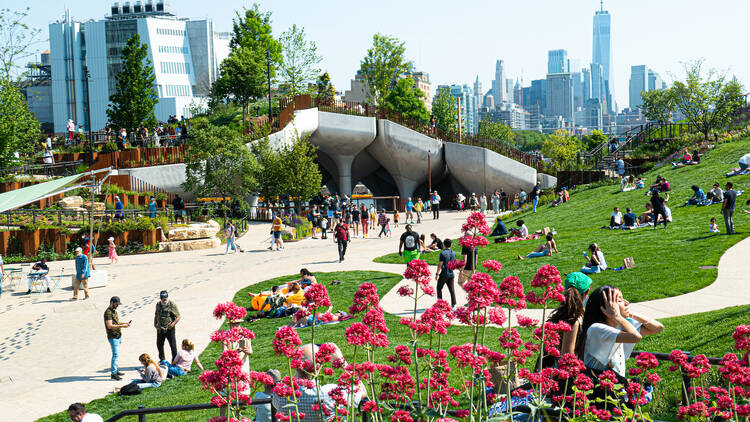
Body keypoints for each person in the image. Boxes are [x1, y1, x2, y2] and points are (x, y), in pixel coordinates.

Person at [579, 286, 663, 378]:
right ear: (606, 307)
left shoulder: (619, 325)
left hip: (615, 386)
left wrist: (630, 314)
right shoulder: (596, 329)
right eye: (619, 300)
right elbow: (636, 337)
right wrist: (617, 316)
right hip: (601, 388)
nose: (626, 303)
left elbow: (657, 328)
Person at [542, 272, 592, 368]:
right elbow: (567, 356)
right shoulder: (573, 320)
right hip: (562, 373)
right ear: (587, 291)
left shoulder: (560, 314)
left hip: (549, 366)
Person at [104, 296, 130, 380]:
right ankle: (113, 373)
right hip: (113, 337)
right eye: (116, 304)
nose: (117, 306)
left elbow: (117, 323)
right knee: (115, 355)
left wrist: (124, 323)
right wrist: (122, 326)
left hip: (118, 335)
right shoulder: (108, 313)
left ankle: (116, 369)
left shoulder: (114, 311)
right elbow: (110, 325)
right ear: (111, 302)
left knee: (117, 354)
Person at [154, 290, 181, 362]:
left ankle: (174, 361)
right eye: (162, 299)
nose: (164, 300)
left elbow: (178, 316)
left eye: (165, 298)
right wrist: (155, 324)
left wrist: (172, 325)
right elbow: (156, 314)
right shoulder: (158, 304)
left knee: (173, 346)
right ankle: (162, 360)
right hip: (160, 329)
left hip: (169, 329)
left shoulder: (172, 304)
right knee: (159, 345)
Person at [436, 238, 457, 307]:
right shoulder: (453, 253)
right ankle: (453, 304)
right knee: (452, 290)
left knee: (439, 288)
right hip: (451, 274)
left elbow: (440, 264)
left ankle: (440, 304)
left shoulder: (442, 253)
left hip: (444, 274)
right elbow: (455, 263)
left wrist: (437, 273)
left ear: (444, 244)